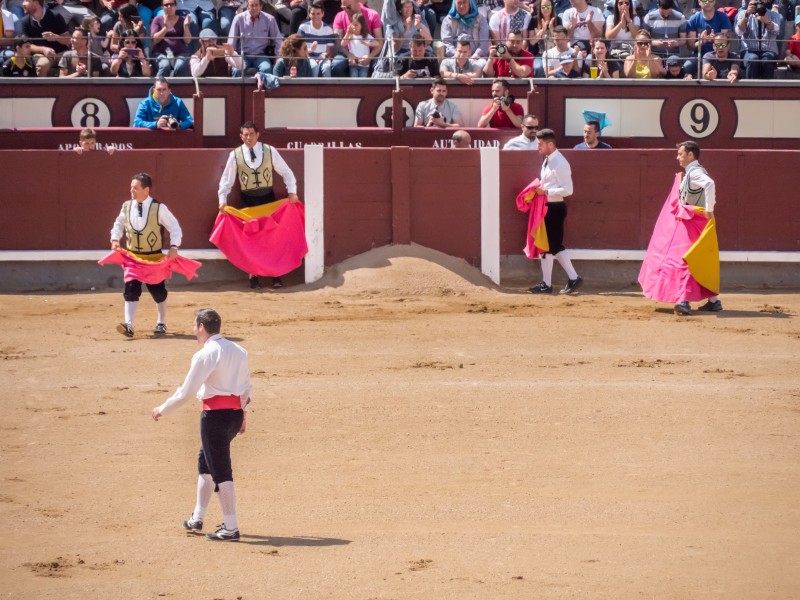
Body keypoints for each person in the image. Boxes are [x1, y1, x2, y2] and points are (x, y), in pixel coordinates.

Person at [151, 308, 252, 543]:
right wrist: (243, 415)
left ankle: (231, 527)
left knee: (220, 470)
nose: (193, 330)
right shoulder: (239, 350)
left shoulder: (205, 354)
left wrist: (162, 409)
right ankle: (197, 517)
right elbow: (247, 386)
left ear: (201, 328)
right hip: (235, 414)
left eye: (194, 326)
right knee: (205, 462)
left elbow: (187, 392)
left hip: (215, 417)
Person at [217, 121, 299, 289]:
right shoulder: (235, 155)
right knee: (251, 239)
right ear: (241, 136)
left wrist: (292, 191)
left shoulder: (270, 151)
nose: (248, 137)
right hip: (247, 201)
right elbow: (226, 180)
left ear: (258, 135)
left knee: (272, 237)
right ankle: (253, 275)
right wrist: (222, 200)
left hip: (268, 199)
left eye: (251, 134)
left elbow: (286, 172)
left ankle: (276, 274)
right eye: (245, 135)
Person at [110, 172, 183, 337]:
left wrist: (174, 246)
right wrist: (115, 238)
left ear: (146, 189)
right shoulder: (127, 206)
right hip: (133, 257)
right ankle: (128, 324)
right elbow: (119, 222)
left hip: (153, 258)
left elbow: (175, 227)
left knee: (158, 292)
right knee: (130, 288)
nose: (131, 190)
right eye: (131, 187)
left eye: (135, 187)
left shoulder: (159, 208)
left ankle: (161, 322)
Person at [529, 128, 583, 295]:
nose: (538, 147)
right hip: (548, 207)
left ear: (550, 144)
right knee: (551, 246)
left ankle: (554, 282)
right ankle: (566, 280)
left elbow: (568, 190)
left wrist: (545, 192)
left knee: (550, 246)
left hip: (555, 208)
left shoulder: (560, 163)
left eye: (540, 144)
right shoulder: (549, 159)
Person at [670, 141, 721, 315]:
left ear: (690, 155)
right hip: (696, 222)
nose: (678, 157)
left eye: (680, 154)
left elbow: (710, 184)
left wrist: (709, 210)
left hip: (694, 222)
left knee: (687, 260)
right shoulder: (692, 172)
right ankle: (714, 301)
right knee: (701, 260)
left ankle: (684, 301)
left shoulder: (695, 172)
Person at [227, 0, 283, 77]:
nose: (254, 8)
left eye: (256, 5)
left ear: (261, 6)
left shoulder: (270, 19)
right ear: (247, 6)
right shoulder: (238, 19)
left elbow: (278, 40)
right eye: (252, 5)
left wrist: (277, 57)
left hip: (261, 55)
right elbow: (231, 41)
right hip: (243, 55)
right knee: (237, 70)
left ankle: (263, 89)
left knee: (266, 68)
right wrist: (231, 59)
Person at [330, 0, 383, 77]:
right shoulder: (339, 16)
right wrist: (349, 55)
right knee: (337, 65)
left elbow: (379, 42)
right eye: (343, 7)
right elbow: (339, 43)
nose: (345, 10)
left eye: (348, 7)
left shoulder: (373, 15)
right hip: (346, 53)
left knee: (380, 66)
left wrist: (370, 56)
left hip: (369, 53)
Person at [21, 0, 69, 76]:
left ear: (36, 3)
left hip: (61, 53)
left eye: (26, 1)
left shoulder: (55, 16)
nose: (23, 3)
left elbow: (68, 40)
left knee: (73, 59)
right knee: (42, 65)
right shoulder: (25, 21)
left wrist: (56, 37)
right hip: (41, 54)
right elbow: (28, 46)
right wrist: (43, 49)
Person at [684, 0, 731, 77]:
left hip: (719, 54)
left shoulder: (723, 17)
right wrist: (702, 41)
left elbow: (726, 42)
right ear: (699, 2)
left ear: (714, 2)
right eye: (704, 0)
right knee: (687, 66)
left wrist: (715, 40)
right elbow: (690, 46)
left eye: (710, 0)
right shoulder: (693, 19)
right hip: (699, 54)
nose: (707, 2)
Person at [736, 0, 781, 79]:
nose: (757, 7)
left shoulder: (773, 14)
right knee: (753, 59)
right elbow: (739, 32)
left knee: (767, 60)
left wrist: (767, 22)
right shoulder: (743, 13)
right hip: (749, 50)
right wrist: (746, 15)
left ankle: (769, 88)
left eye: (759, 4)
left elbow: (777, 31)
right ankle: (750, 89)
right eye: (754, 4)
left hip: (768, 50)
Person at [440, 0, 489, 65]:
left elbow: (483, 43)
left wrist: (475, 56)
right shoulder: (448, 20)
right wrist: (459, 56)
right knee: (444, 65)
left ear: (470, 3)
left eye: (464, 2)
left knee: (482, 64)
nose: (462, 6)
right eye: (459, 3)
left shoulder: (480, 19)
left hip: (476, 58)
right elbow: (447, 43)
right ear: (454, 4)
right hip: (455, 58)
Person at [150, 0, 192, 77]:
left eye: (172, 4)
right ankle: (157, 88)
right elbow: (155, 40)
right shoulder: (157, 19)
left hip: (181, 53)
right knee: (165, 66)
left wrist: (186, 26)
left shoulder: (183, 20)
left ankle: (179, 88)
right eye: (166, 5)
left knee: (179, 66)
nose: (169, 7)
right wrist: (165, 27)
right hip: (160, 53)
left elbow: (188, 40)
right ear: (162, 7)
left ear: (176, 6)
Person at [297, 1, 335, 77]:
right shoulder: (303, 27)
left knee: (327, 67)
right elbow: (298, 47)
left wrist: (324, 55)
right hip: (307, 56)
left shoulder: (328, 29)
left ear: (322, 14)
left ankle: (328, 88)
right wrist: (310, 52)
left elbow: (329, 50)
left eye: (318, 13)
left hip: (323, 57)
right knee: (314, 67)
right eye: (313, 14)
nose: (316, 16)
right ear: (309, 14)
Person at [341, 12, 379, 76]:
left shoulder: (366, 36)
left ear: (362, 25)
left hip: (364, 65)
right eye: (352, 25)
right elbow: (342, 44)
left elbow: (377, 43)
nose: (354, 27)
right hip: (353, 64)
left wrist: (367, 43)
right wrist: (347, 33)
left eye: (356, 25)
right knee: (354, 80)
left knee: (363, 81)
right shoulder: (351, 35)